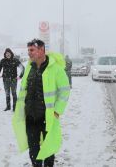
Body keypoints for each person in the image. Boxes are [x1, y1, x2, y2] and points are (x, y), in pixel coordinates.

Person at [12, 39, 70, 167]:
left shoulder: (55, 68)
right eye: (28, 50)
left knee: (48, 148)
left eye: (32, 50)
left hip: (47, 116)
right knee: (33, 149)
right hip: (30, 117)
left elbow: (65, 91)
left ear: (41, 50)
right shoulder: (29, 67)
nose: (29, 53)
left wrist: (57, 111)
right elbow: (24, 90)